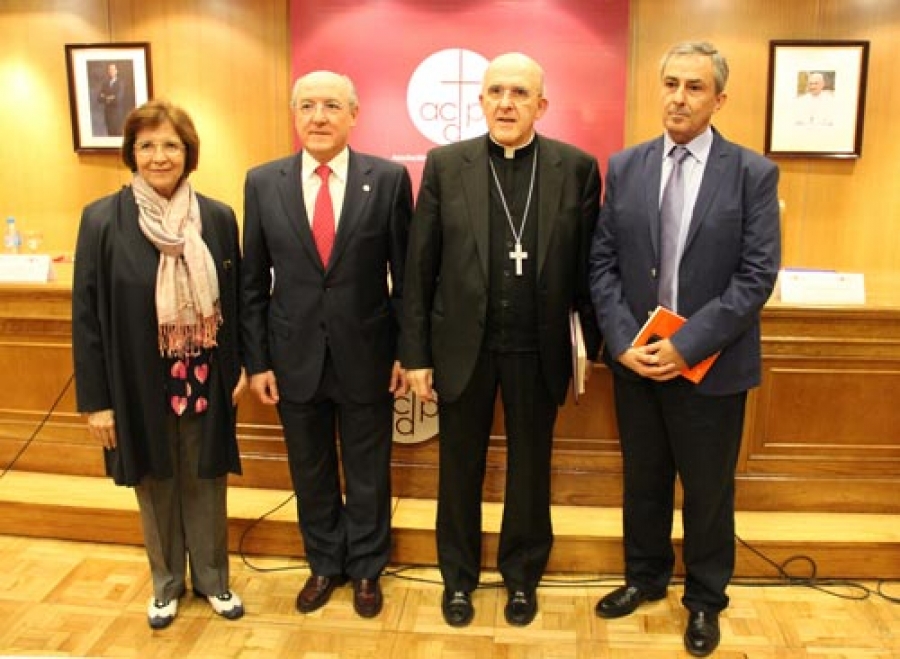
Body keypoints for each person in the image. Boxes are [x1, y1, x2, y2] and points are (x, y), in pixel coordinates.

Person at [589, 41, 781, 657]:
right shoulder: (626, 166)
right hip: (638, 363)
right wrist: (622, 342)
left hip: (712, 366)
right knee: (643, 482)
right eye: (671, 83)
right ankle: (644, 580)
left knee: (706, 490)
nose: (678, 96)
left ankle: (703, 600)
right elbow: (603, 265)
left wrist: (684, 344)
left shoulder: (752, 173)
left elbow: (755, 277)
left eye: (694, 87)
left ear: (719, 98)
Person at [401, 52, 602, 628]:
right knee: (458, 469)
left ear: (541, 104)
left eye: (519, 93)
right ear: (481, 100)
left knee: (531, 469)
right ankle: (458, 579)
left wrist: (595, 347)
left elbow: (591, 267)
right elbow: (420, 266)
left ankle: (521, 577)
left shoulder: (577, 167)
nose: (506, 102)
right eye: (495, 92)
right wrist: (414, 353)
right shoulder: (446, 165)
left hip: (538, 349)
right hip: (463, 347)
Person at [241, 71, 413, 619]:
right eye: (308, 106)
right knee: (309, 470)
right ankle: (323, 563)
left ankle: (365, 568)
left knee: (368, 472)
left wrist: (405, 352)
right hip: (293, 359)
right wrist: (258, 360)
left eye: (331, 105)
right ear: (295, 115)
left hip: (367, 355)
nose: (319, 116)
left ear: (353, 114)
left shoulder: (386, 180)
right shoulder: (263, 182)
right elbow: (251, 281)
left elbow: (405, 277)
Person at [72, 100, 246, 630]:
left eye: (170, 144)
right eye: (146, 145)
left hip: (205, 374)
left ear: (188, 153)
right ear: (131, 153)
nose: (159, 155)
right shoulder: (102, 219)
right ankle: (167, 585)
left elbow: (236, 302)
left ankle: (214, 580)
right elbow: (87, 318)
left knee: (205, 475)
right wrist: (97, 401)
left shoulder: (216, 217)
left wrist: (238, 366)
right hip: (137, 381)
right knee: (154, 478)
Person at [97, 63, 124, 136]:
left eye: (113, 69)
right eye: (109, 70)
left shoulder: (120, 83)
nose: (111, 71)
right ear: (108, 71)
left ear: (116, 71)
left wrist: (105, 97)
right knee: (110, 134)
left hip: (117, 114)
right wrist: (110, 97)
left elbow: (118, 99)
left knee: (117, 134)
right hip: (108, 113)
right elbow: (99, 98)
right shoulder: (105, 83)